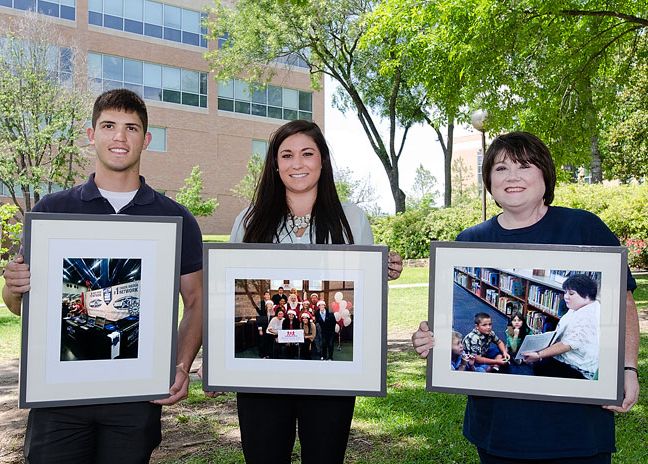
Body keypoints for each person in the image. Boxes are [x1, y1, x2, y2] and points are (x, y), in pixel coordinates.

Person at [412, 131, 639, 463]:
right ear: (489, 180)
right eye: (501, 168)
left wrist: (627, 368)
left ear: (545, 174)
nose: (513, 176)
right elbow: (446, 326)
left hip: (577, 429)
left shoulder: (583, 227)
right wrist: (430, 339)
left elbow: (624, 303)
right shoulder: (470, 241)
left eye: (525, 165)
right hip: (500, 429)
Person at [2, 89, 203, 463]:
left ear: (146, 139)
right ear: (92, 134)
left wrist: (180, 363)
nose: (120, 137)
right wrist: (13, 288)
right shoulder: (53, 210)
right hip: (58, 394)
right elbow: (17, 305)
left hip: (135, 394)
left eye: (131, 128)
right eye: (109, 126)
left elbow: (195, 300)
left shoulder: (175, 220)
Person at [227, 119, 402, 464]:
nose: (297, 163)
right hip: (263, 380)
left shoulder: (352, 218)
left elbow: (362, 287)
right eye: (287, 155)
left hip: (330, 379)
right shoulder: (249, 220)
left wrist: (383, 270)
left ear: (322, 160)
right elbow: (230, 291)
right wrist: (221, 355)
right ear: (275, 165)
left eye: (307, 153)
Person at [523, 274, 600, 379]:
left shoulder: (587, 316)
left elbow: (567, 344)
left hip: (578, 368)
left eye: (571, 294)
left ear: (586, 295)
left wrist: (539, 354)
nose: (566, 297)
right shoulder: (580, 307)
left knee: (541, 366)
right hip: (570, 359)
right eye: (565, 292)